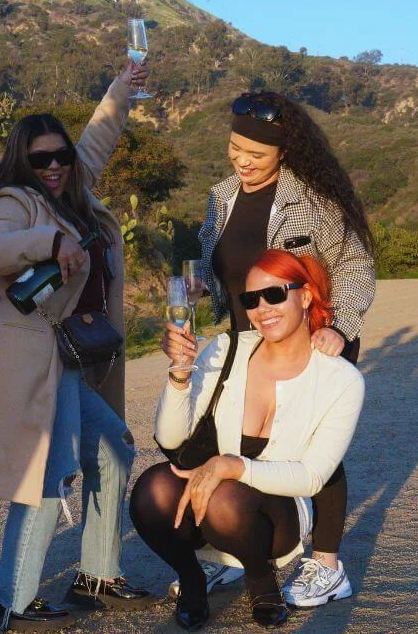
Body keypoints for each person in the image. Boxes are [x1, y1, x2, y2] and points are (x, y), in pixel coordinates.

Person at [162, 91, 376, 607]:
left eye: (254, 154)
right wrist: (197, 295)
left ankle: (326, 565)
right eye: (234, 148)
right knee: (227, 436)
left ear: (283, 151)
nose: (241, 160)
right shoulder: (222, 195)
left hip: (314, 337)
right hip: (245, 339)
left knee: (317, 448)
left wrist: (341, 329)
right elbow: (219, 264)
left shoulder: (313, 200)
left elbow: (355, 265)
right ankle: (228, 556)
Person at [0, 59, 152, 632]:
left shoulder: (73, 189)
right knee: (46, 474)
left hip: (71, 360)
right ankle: (13, 602)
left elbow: (95, 140)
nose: (52, 166)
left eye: (60, 156)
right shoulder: (14, 202)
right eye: (39, 158)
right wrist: (46, 240)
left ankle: (96, 573)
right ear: (23, 162)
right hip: (36, 362)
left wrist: (121, 89)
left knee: (113, 451)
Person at [132, 250, 365, 629]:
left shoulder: (341, 380)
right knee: (151, 489)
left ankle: (260, 579)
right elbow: (169, 438)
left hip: (279, 511)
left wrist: (231, 466)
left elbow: (313, 477)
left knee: (227, 494)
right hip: (215, 492)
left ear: (305, 297)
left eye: (275, 295)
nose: (262, 308)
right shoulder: (229, 349)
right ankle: (193, 579)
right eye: (250, 299)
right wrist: (179, 373)